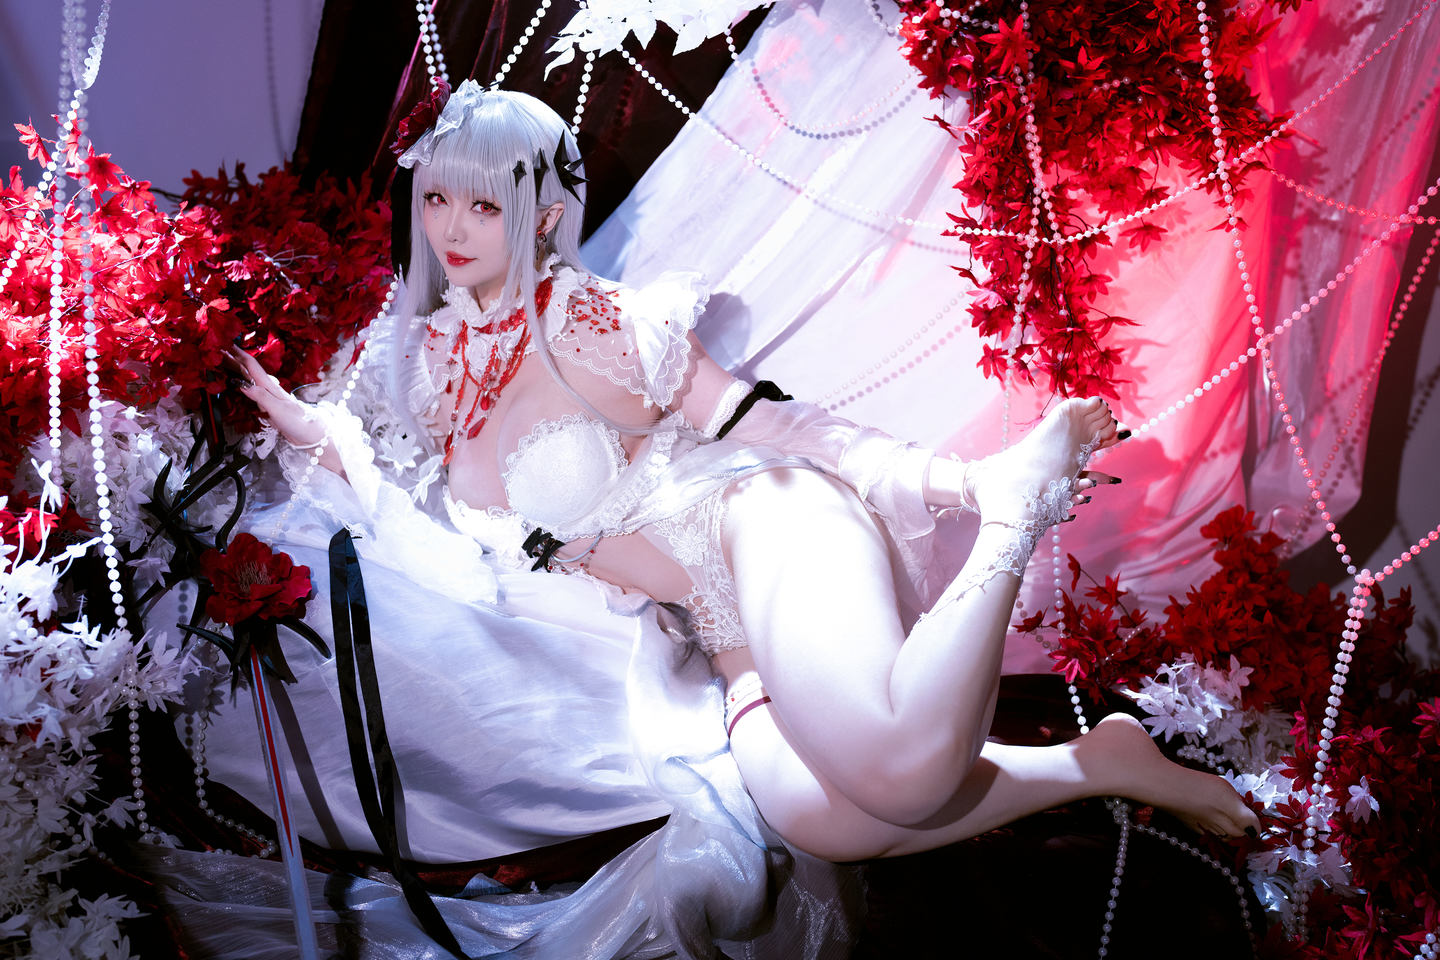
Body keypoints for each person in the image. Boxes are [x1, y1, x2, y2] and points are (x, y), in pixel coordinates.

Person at [188, 82, 1257, 956]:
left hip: (760, 520)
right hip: (710, 629)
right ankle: (1096, 764)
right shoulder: (433, 373)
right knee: (821, 817)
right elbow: (432, 520)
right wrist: (320, 433)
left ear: (544, 214)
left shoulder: (598, 319)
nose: (456, 228)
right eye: (439, 200)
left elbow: (772, 425)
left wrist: (957, 486)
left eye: (486, 203)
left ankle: (1013, 512)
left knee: (899, 772)